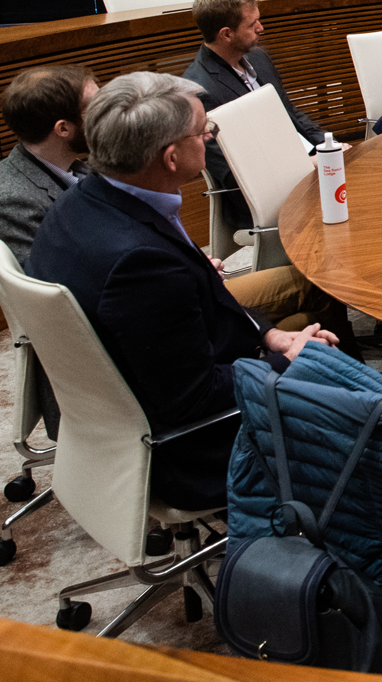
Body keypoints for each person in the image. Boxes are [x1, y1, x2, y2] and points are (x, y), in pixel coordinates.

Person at [25, 72, 337, 509]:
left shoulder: (85, 202)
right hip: (195, 449)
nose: (210, 137)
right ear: (171, 157)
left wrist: (269, 336)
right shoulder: (140, 265)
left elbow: (202, 291)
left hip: (137, 406)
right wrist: (285, 361)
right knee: (380, 431)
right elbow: (196, 398)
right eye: (204, 131)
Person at [183, 0, 328, 203]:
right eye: (252, 24)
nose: (261, 28)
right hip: (268, 195)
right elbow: (231, 174)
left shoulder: (258, 59)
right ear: (226, 34)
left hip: (309, 166)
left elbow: (290, 113)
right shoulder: (198, 91)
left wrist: (329, 146)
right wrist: (307, 165)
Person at [0, 64, 97, 266]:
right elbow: (47, 285)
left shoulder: (77, 165)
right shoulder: (10, 205)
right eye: (97, 108)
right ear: (63, 128)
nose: (108, 116)